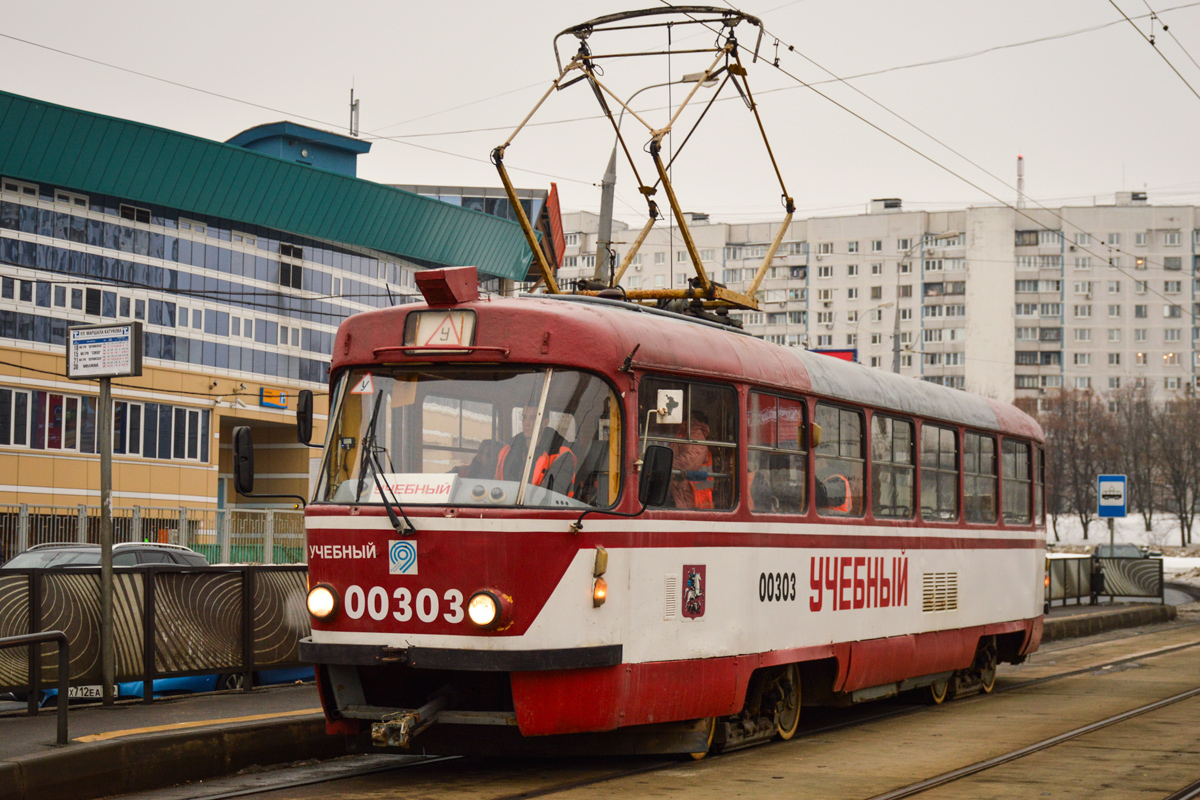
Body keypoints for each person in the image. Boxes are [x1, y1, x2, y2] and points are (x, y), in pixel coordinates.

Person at [670, 411, 714, 509]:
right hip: (684, 491)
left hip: (693, 496)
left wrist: (666, 467)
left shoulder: (694, 433)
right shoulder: (681, 433)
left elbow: (689, 461)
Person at [496, 404, 538, 482]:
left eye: (533, 418)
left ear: (545, 423)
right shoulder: (508, 450)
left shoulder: (557, 455)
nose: (526, 423)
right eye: (524, 417)